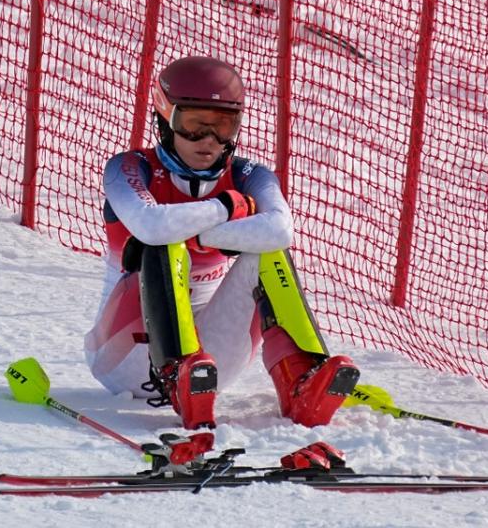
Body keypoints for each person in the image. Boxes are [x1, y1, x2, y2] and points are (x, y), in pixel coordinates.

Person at [85, 56, 359, 430]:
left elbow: (279, 230)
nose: (209, 141)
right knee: (162, 244)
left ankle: (300, 380)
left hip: (210, 367)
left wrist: (199, 231)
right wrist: (226, 207)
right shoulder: (130, 167)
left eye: (223, 127)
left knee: (266, 254)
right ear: (166, 119)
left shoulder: (250, 175)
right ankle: (177, 370)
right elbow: (150, 225)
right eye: (194, 126)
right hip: (125, 355)